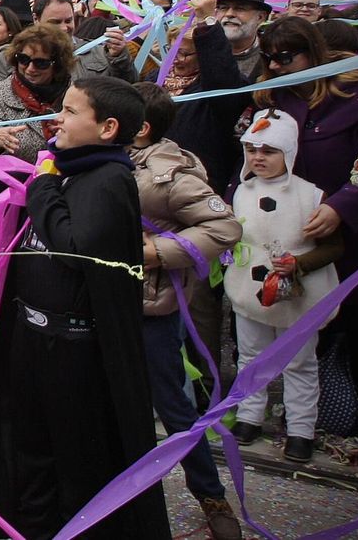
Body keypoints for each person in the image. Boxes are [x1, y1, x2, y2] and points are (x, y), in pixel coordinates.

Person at [11, 77, 169, 538]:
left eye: (71, 111)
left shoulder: (109, 179)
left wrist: (41, 188)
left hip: (72, 348)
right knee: (31, 452)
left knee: (74, 460)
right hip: (34, 335)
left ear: (107, 128)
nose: (56, 118)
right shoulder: (71, 166)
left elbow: (73, 248)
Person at [254, 16, 358, 436]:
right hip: (302, 226)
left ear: (313, 52)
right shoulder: (278, 94)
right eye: (268, 58)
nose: (274, 66)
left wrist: (344, 207)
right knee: (311, 319)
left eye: (284, 58)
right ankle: (314, 411)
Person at [129, 84, 243, 539]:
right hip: (99, 305)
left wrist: (158, 250)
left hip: (150, 311)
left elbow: (225, 226)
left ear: (137, 126)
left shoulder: (171, 174)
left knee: (174, 408)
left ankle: (211, 495)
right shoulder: (101, 156)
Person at [226, 110, 343, 463]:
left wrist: (300, 265)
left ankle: (301, 429)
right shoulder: (240, 192)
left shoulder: (312, 196)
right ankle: (249, 416)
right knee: (251, 356)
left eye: (268, 151)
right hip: (250, 289)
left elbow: (335, 247)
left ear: (288, 153)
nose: (258, 158)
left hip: (298, 295)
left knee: (299, 362)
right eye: (252, 150)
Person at [0, 22, 75, 163]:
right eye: (24, 60)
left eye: (41, 63)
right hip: (16, 182)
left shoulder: (75, 95)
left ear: (57, 64)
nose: (30, 69)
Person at [214, 0, 272, 80]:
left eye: (240, 8)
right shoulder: (201, 50)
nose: (229, 14)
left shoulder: (271, 54)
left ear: (260, 17)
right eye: (223, 8)